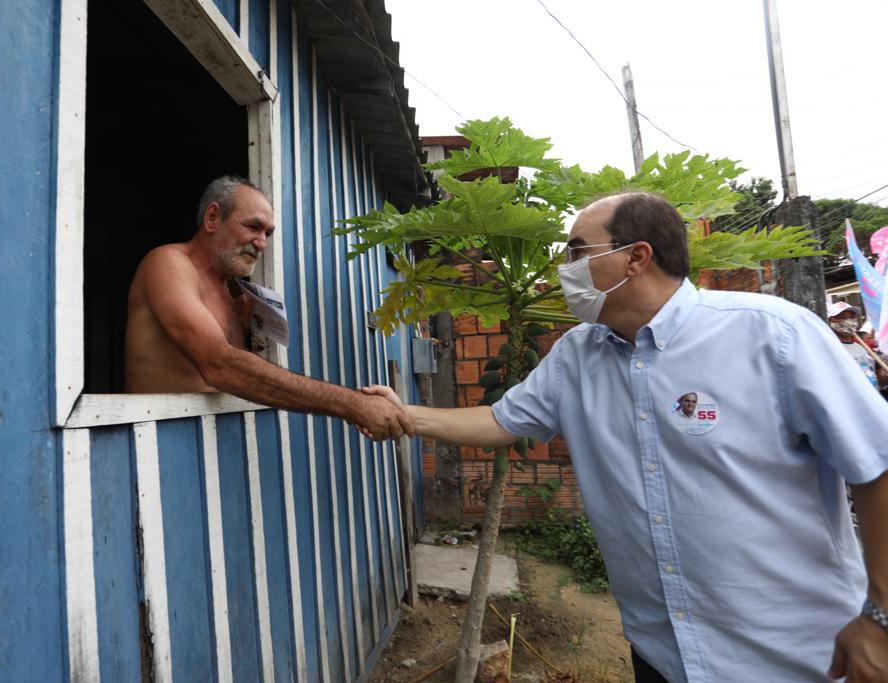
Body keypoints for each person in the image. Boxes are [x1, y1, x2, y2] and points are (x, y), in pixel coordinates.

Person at [365, 191, 888, 682]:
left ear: (636, 257)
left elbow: (877, 465)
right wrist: (405, 414)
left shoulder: (774, 335)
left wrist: (880, 616)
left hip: (796, 655)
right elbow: (501, 422)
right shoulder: (577, 355)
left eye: (576, 251)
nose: (564, 269)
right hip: (662, 652)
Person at [124, 175, 411, 440]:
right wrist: (353, 404)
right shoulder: (168, 263)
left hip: (206, 451)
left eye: (268, 233)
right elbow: (221, 366)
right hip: (157, 445)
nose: (261, 243)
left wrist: (242, 326)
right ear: (213, 218)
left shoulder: (232, 295)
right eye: (252, 226)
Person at [828, 301, 881, 389]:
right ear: (829, 320)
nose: (848, 321)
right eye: (841, 317)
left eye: (852, 317)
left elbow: (876, 376)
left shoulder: (863, 347)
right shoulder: (829, 348)